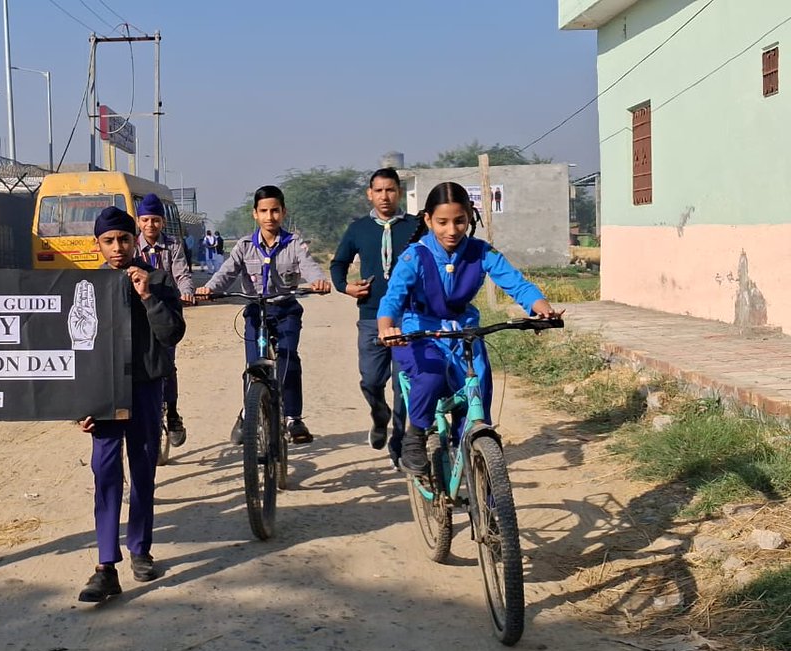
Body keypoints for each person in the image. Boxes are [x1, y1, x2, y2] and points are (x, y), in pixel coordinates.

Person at [376, 182, 560, 475]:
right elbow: (393, 297)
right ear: (427, 220)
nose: (452, 230)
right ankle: (416, 435)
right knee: (431, 377)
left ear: (470, 218)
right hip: (420, 333)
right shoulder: (415, 256)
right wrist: (387, 327)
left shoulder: (481, 252)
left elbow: (517, 284)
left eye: (459, 221)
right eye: (442, 222)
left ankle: (483, 478)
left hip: (465, 334)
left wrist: (542, 309)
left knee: (478, 386)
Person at [77, 206, 186, 602]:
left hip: (145, 388)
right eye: (109, 241)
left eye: (124, 239)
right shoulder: (86, 286)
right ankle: (106, 565)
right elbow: (76, 346)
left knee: (142, 471)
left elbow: (172, 333)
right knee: (105, 474)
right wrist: (80, 404)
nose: (118, 247)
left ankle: (140, 549)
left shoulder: (157, 279)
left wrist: (148, 296)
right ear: (98, 245)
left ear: (135, 239)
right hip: (104, 394)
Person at [196, 185, 331, 444]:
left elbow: (310, 267)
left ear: (283, 212)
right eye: (264, 211)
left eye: (275, 211)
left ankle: (293, 418)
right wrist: (209, 289)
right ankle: (249, 411)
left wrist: (318, 281)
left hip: (286, 310)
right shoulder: (245, 246)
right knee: (254, 367)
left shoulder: (294, 245)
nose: (270, 217)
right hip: (256, 312)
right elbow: (226, 273)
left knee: (288, 359)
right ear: (255, 214)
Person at [330, 168, 419, 468]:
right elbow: (338, 264)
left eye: (390, 190)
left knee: (403, 383)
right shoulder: (358, 229)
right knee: (370, 380)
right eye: (379, 191)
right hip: (370, 315)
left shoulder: (416, 227)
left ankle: (399, 443)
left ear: (399, 193)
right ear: (369, 194)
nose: (385, 196)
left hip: (408, 317)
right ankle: (379, 414)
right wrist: (345, 287)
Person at [135, 193, 194, 447]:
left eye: (156, 220)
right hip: (136, 314)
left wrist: (187, 292)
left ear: (162, 222)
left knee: (167, 365)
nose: (151, 225)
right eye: (146, 220)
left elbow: (182, 274)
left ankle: (172, 413)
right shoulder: (130, 245)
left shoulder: (173, 245)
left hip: (164, 311)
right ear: (138, 222)